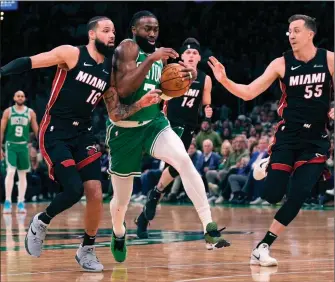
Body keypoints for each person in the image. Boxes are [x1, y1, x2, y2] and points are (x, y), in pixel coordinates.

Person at [0, 16, 160, 272]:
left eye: (114, 31)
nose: (112, 35)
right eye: (106, 30)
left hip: (83, 133)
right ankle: (42, 221)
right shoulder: (71, 54)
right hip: (55, 131)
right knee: (73, 190)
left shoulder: (109, 69)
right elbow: (29, 62)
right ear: (92, 35)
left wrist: (142, 104)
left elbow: (116, 113)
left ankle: (87, 248)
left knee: (96, 192)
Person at [208, 14, 334, 266]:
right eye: (289, 31)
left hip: (316, 140)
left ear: (310, 34)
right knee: (272, 195)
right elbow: (249, 91)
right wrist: (224, 81)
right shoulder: (281, 63)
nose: (292, 35)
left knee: (298, 196)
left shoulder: (329, 59)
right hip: (288, 137)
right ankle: (267, 165)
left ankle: (262, 246)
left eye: (297, 30)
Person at [106, 10, 230, 263]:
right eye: (146, 28)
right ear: (133, 30)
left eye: (155, 29)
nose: (152, 33)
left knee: (184, 161)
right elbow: (124, 88)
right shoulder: (127, 49)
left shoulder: (160, 59)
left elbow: (163, 94)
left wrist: (183, 81)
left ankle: (209, 226)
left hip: (154, 123)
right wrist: (152, 58)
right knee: (121, 201)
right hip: (125, 130)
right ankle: (119, 232)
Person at [134, 37, 216, 239]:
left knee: (177, 168)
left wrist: (208, 111)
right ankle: (206, 221)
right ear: (182, 56)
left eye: (195, 53)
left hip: (189, 127)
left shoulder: (205, 79)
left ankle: (152, 201)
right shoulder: (170, 71)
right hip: (168, 123)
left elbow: (206, 103)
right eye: (188, 52)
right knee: (182, 165)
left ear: (198, 58)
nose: (191, 55)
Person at [1, 90, 39, 213]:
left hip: (23, 146)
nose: (20, 97)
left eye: (22, 96)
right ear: (14, 97)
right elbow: (1, 130)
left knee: (23, 174)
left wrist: (42, 144)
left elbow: (36, 130)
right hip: (11, 145)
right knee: (11, 172)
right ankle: (7, 201)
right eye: (18, 95)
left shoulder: (30, 112)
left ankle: (21, 202)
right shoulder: (8, 111)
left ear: (25, 98)